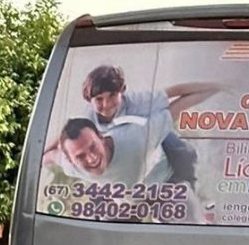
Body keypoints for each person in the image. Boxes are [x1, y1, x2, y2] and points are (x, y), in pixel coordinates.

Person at [79, 65, 218, 184]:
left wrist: (216, 86)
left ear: (122, 91)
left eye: (112, 96)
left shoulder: (136, 102)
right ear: (89, 100)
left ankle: (190, 184)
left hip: (146, 136)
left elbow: (174, 93)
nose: (107, 104)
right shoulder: (85, 121)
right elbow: (63, 140)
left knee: (183, 151)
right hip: (120, 167)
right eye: (99, 99)